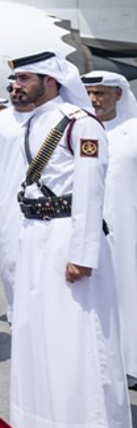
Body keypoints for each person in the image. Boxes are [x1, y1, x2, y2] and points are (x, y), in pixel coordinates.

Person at [9, 52, 132, 428]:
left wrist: (83, 253)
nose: (15, 87)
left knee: (75, 338)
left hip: (67, 240)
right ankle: (42, 422)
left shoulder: (80, 124)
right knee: (38, 333)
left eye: (24, 79)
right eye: (14, 80)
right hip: (36, 236)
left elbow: (90, 191)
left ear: (51, 81)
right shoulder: (34, 123)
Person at [82, 70, 137, 386]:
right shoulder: (82, 131)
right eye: (90, 93)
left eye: (100, 93)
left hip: (127, 228)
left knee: (128, 292)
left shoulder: (133, 130)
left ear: (118, 94)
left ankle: (130, 363)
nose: (94, 100)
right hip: (90, 230)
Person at [0, 86, 34, 324]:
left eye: (21, 84)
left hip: (51, 205)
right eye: (11, 87)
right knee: (9, 260)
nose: (15, 91)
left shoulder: (54, 119)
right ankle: (15, 314)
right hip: (10, 203)